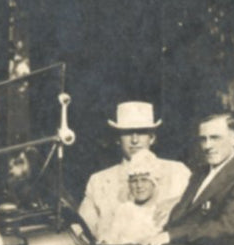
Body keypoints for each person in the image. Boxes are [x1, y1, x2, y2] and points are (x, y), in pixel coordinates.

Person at [141, 113, 234, 245]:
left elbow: (226, 228)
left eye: (215, 138)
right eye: (203, 139)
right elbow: (182, 215)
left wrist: (171, 236)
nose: (207, 146)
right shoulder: (201, 173)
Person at [79, 101, 190, 238]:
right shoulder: (99, 181)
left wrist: (177, 202)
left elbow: (199, 210)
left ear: (152, 138)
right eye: (127, 133)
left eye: (142, 132)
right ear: (118, 139)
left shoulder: (177, 172)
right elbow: (82, 229)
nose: (135, 140)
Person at [94, 150, 175, 244]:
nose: (139, 185)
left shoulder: (162, 212)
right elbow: (112, 236)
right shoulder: (125, 210)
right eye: (134, 181)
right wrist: (105, 241)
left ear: (154, 182)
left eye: (144, 180)